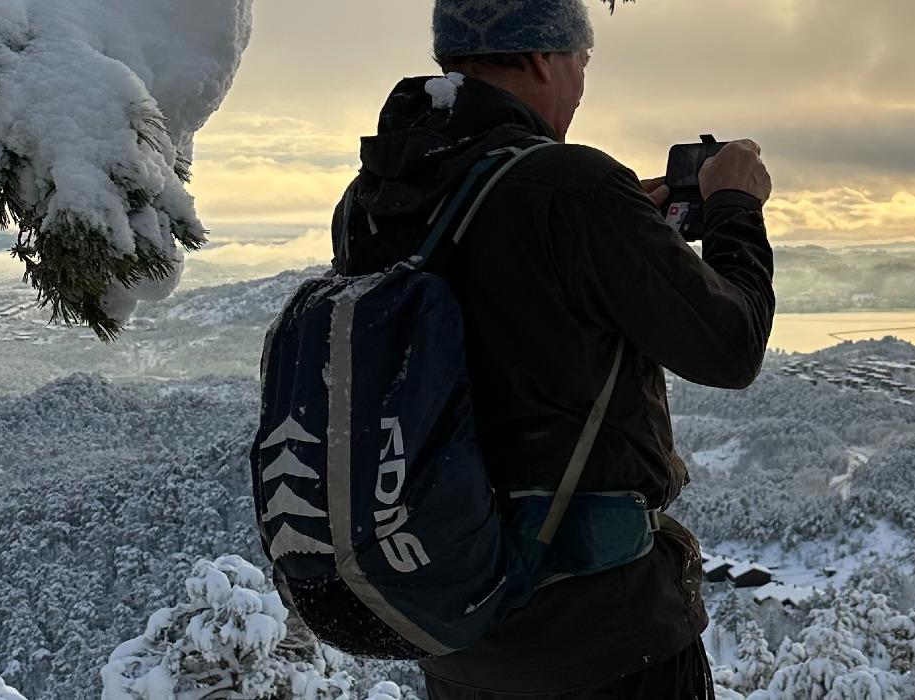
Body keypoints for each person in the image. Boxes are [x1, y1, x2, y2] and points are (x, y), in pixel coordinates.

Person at [328, 0, 775, 696]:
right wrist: (736, 211)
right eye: (582, 60)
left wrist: (625, 235)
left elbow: (503, 312)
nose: (580, 82)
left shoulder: (372, 199)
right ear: (543, 55)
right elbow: (732, 345)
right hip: (608, 641)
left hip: (460, 634)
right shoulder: (571, 189)